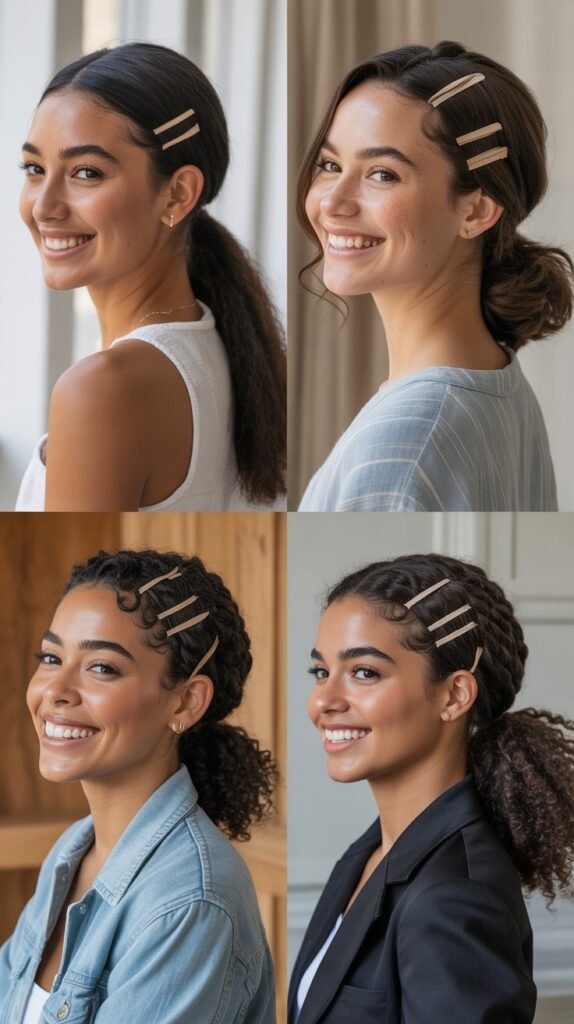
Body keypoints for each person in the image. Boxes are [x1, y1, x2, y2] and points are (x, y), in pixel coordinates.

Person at [289, 553, 574, 1023]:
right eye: (321, 672)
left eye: (364, 672)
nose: (323, 701)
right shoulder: (371, 853)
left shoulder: (454, 899)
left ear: (454, 695)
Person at [0, 549, 278, 1022]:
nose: (56, 691)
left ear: (186, 702)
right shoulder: (73, 852)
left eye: (102, 668)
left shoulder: (191, 903)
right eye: (51, 657)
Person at [297, 41, 573, 512]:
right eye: (330, 164)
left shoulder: (403, 447)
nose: (333, 203)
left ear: (478, 209)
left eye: (382, 174)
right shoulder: (496, 377)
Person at [16, 42, 286, 511]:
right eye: (35, 169)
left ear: (178, 194)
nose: (44, 206)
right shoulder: (224, 344)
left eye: (85, 172)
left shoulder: (105, 387)